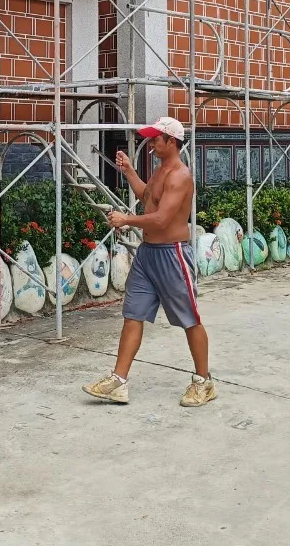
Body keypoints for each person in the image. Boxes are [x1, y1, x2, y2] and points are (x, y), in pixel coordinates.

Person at [83, 117, 215, 408]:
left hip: (172, 255)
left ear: (172, 142)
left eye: (156, 139)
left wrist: (126, 219)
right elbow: (147, 197)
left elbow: (162, 218)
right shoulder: (161, 170)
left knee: (189, 319)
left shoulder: (180, 175)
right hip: (148, 255)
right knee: (133, 314)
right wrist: (129, 171)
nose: (151, 143)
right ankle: (118, 381)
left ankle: (203, 382)